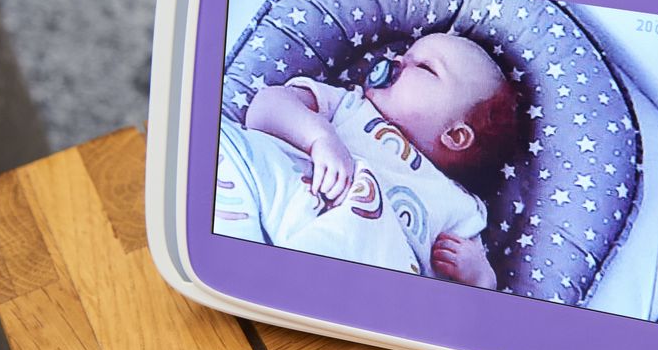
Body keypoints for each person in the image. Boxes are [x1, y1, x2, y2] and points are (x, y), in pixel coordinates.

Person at [222, 33, 517, 289]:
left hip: (355, 263)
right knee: (227, 143)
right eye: (405, 54)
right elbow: (264, 108)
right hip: (283, 197)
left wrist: (481, 279)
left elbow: (460, 306)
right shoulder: (350, 105)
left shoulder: (460, 207)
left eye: (425, 67)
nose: (396, 60)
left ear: (455, 135)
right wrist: (320, 138)